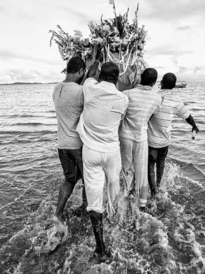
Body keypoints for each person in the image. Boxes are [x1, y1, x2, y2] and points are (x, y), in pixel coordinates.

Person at [77, 61, 129, 262]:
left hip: (91, 152)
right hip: (112, 152)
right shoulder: (123, 99)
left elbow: (89, 73)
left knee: (94, 201)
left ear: (100, 76)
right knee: (113, 187)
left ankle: (100, 248)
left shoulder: (89, 87)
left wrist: (95, 62)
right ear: (117, 78)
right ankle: (116, 220)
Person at [51, 56, 88, 236]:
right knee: (88, 179)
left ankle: (58, 214)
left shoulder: (56, 88)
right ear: (81, 71)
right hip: (78, 145)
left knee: (70, 179)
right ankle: (85, 210)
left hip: (62, 145)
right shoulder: (81, 91)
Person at [147, 72, 199, 197]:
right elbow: (187, 116)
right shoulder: (177, 100)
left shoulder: (154, 96)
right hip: (165, 140)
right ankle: (158, 186)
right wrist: (194, 126)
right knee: (161, 162)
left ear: (161, 83)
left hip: (151, 139)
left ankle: (153, 191)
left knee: (150, 164)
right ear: (174, 85)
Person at [119, 68, 163, 211]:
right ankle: (142, 205)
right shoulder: (157, 98)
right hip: (142, 138)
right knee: (142, 171)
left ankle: (124, 200)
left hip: (125, 136)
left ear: (140, 78)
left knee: (126, 169)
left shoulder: (126, 94)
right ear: (154, 82)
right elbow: (150, 117)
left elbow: (122, 115)